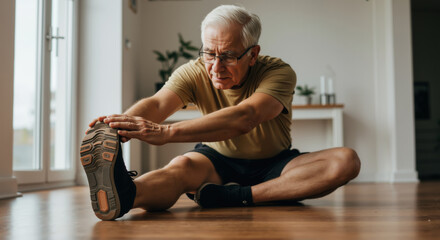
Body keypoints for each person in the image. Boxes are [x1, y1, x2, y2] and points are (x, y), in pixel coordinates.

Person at [80, 5, 360, 221]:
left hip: (275, 163)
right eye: (209, 53)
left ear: (253, 54)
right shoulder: (194, 70)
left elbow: (245, 117)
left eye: (227, 56)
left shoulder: (278, 72)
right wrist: (118, 126)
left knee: (345, 161)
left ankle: (236, 196)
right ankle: (126, 195)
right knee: (180, 168)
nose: (215, 66)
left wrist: (166, 133)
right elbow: (156, 105)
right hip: (216, 160)